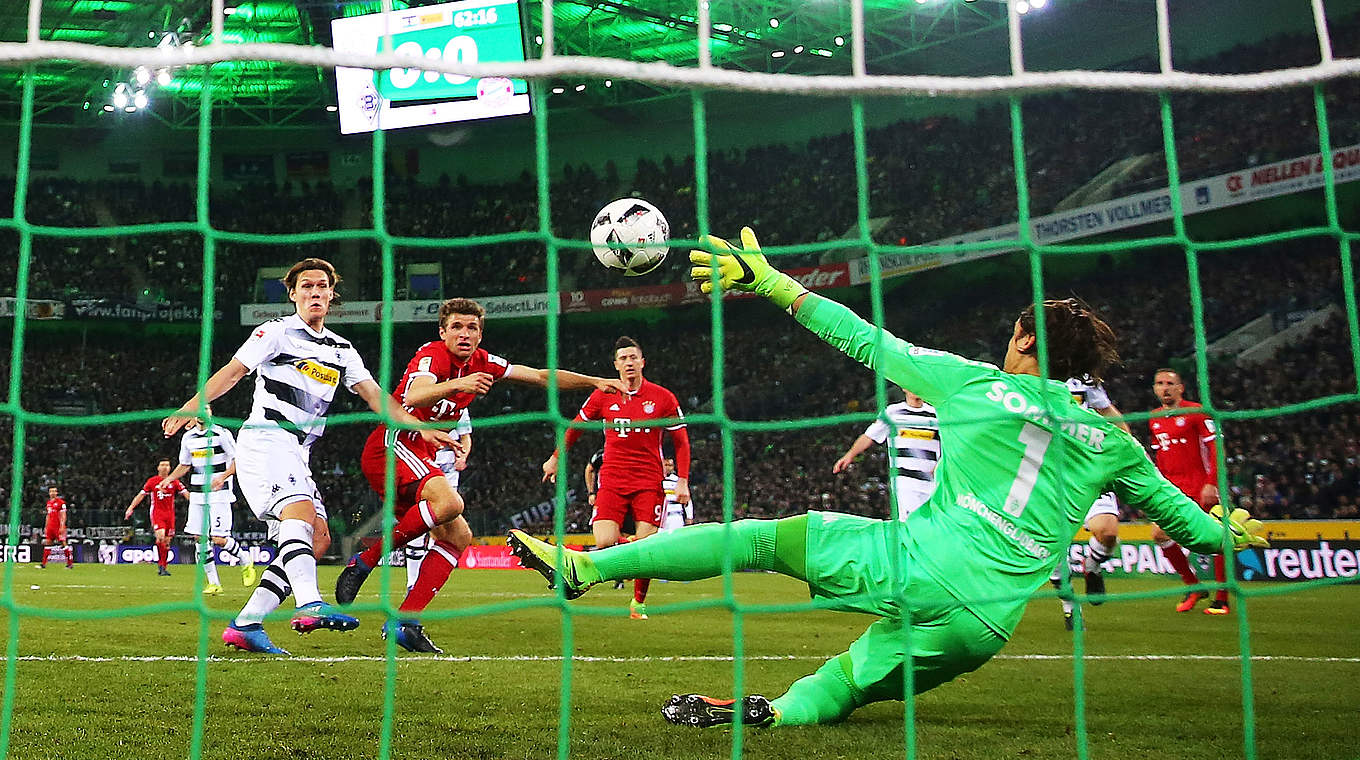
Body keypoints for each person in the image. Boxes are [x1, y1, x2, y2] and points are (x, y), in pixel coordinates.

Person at [509, 228, 1266, 729]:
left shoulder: (970, 383)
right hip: (986, 626)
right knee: (847, 682)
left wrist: (772, 283)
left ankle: (584, 566)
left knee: (766, 539)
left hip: (921, 564)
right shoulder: (1112, 438)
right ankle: (770, 713)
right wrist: (1232, 530)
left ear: (1026, 342)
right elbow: (1190, 526)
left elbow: (862, 337)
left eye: (1013, 336)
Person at [162, 257, 455, 656]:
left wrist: (418, 428)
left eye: (322, 286)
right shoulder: (276, 332)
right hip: (266, 438)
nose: (315, 292)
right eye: (306, 287)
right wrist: (191, 405)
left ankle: (247, 624)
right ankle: (308, 603)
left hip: (298, 451)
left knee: (318, 538)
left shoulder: (342, 349)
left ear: (332, 294)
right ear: (293, 294)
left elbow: (375, 397)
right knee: (298, 512)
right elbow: (234, 371)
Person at [336, 297, 626, 653]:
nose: (464, 333)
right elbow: (416, 392)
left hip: (419, 454)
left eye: (471, 327)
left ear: (480, 333)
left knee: (459, 536)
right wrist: (460, 385)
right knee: (449, 502)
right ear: (442, 332)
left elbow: (537, 375)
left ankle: (405, 622)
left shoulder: (483, 361)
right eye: (456, 327)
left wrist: (593, 381)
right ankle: (364, 561)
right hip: (391, 445)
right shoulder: (433, 355)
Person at [541, 336, 691, 621]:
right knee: (605, 541)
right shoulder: (603, 394)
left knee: (647, 549)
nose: (629, 363)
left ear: (642, 362)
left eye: (633, 357)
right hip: (611, 479)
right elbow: (574, 428)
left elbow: (681, 442)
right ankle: (637, 544)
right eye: (623, 358)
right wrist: (556, 457)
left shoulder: (663, 397)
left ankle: (638, 603)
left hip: (648, 480)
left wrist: (682, 480)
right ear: (615, 365)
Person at [1048, 377, 1131, 629]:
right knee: (1053, 548)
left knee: (1107, 532)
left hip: (1088, 468)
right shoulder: (1028, 375)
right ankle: (1070, 607)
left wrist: (1129, 444)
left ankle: (1092, 566)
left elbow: (1106, 410)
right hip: (1048, 471)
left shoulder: (1083, 378)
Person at [1147, 368, 1228, 614]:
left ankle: (1222, 598)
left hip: (1202, 487)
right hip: (1172, 490)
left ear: (1180, 388)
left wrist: (1212, 482)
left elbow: (1216, 448)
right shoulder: (1154, 418)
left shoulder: (1197, 412)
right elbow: (1160, 456)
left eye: (1170, 383)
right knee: (1159, 535)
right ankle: (1193, 585)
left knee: (1216, 539)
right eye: (1160, 383)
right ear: (1154, 389)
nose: (1165, 387)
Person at [163, 410, 258, 595]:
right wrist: (169, 479)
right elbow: (185, 464)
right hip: (198, 495)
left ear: (211, 413)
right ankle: (214, 583)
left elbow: (239, 460)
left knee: (219, 539)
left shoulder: (221, 434)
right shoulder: (188, 437)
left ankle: (245, 560)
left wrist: (223, 477)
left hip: (219, 494)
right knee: (199, 537)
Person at [832, 387, 939, 520]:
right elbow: (869, 436)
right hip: (906, 482)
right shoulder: (892, 412)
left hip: (934, 482)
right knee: (912, 523)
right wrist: (849, 456)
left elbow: (949, 444)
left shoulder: (936, 414)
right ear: (903, 387)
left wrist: (941, 463)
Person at [403, 409, 473, 595]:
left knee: (446, 525)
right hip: (424, 466)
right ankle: (412, 582)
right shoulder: (423, 402)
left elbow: (465, 437)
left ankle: (427, 580)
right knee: (419, 521)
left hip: (449, 471)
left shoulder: (461, 407)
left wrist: (463, 456)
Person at [124, 459, 187, 576]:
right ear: (158, 467)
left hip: (170, 515)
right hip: (157, 514)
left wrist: (198, 504)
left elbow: (186, 494)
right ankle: (161, 565)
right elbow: (141, 495)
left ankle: (163, 567)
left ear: (170, 468)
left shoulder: (175, 482)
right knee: (161, 537)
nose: (165, 467)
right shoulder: (152, 481)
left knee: (167, 542)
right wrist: (130, 508)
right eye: (162, 465)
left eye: (167, 465)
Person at [41, 486, 72, 569]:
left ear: (57, 493)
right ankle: (43, 564)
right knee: (48, 543)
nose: (52, 493)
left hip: (58, 527)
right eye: (51, 491)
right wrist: (46, 526)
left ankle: (70, 563)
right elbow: (48, 515)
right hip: (50, 527)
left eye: (54, 491)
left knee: (63, 543)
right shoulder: (48, 503)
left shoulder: (61, 503)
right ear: (49, 493)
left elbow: (63, 515)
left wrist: (62, 526)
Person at [659, 457, 694, 532]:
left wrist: (689, 516)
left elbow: (687, 500)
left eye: (670, 465)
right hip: (661, 516)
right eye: (666, 465)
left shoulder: (678, 481)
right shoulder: (657, 479)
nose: (668, 467)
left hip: (676, 515)